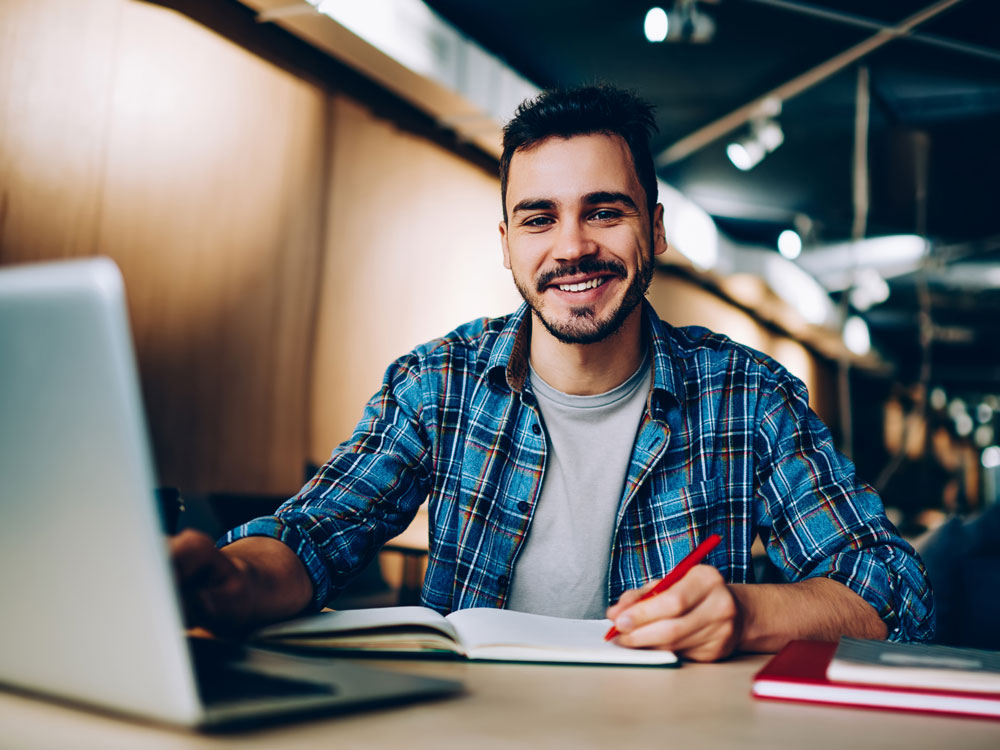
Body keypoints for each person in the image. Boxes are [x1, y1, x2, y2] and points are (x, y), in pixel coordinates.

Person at [171, 85, 934, 662]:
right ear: (507, 243)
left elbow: (895, 593)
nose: (572, 246)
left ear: (656, 228)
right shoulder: (440, 382)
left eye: (605, 211)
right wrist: (231, 582)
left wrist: (747, 612)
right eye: (540, 218)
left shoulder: (751, 397)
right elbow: (313, 536)